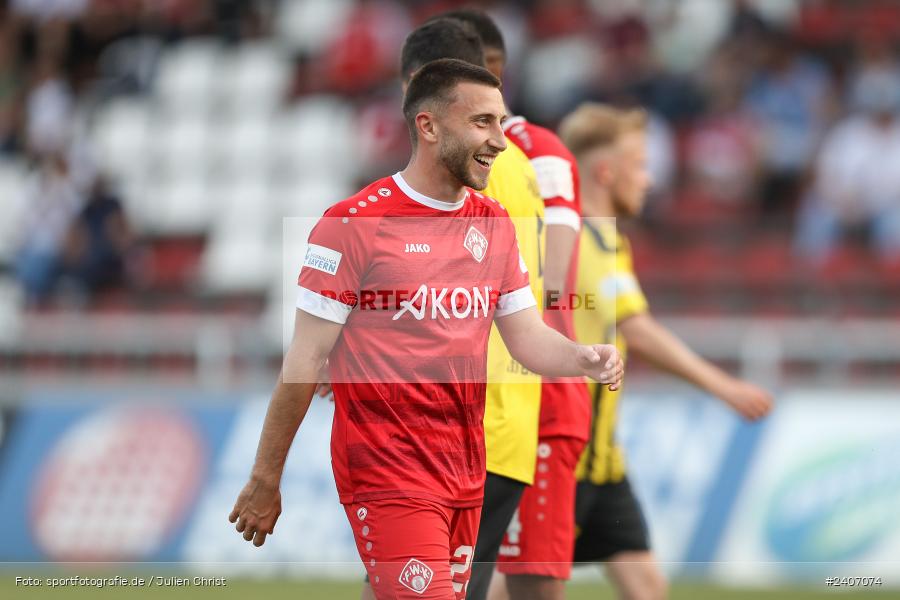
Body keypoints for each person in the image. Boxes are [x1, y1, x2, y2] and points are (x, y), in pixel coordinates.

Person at [229, 59, 624, 600]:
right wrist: (266, 476)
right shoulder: (352, 225)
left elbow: (526, 336)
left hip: (466, 472)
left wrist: (583, 358)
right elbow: (304, 362)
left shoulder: (493, 222)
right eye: (482, 123)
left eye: (501, 122)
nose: (500, 141)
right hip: (388, 471)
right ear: (429, 126)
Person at [563, 103, 772, 600]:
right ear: (605, 171)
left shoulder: (610, 243)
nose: (650, 179)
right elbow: (638, 332)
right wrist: (723, 386)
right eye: (639, 164)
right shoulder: (574, 241)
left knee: (647, 586)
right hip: (564, 456)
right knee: (514, 588)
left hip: (603, 459)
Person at [436, 10, 593, 600]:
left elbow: (553, 284)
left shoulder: (534, 153)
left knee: (526, 580)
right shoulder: (463, 160)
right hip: (488, 402)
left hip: (538, 399)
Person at [393, 16, 549, 600]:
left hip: (470, 420)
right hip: (504, 418)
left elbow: (448, 293)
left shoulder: (478, 172)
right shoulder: (517, 167)